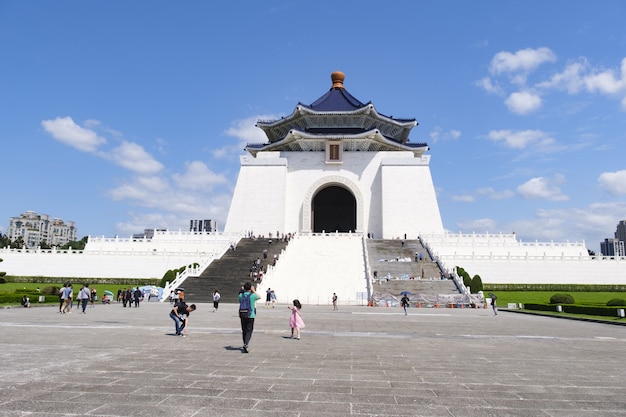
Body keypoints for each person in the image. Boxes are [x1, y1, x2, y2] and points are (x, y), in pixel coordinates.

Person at [238, 282, 260, 353]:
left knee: (244, 330)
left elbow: (240, 301)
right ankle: (246, 344)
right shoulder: (253, 295)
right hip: (250, 315)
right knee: (249, 330)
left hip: (242, 314)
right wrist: (253, 291)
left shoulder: (241, 295)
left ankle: (245, 343)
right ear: (250, 288)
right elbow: (259, 297)